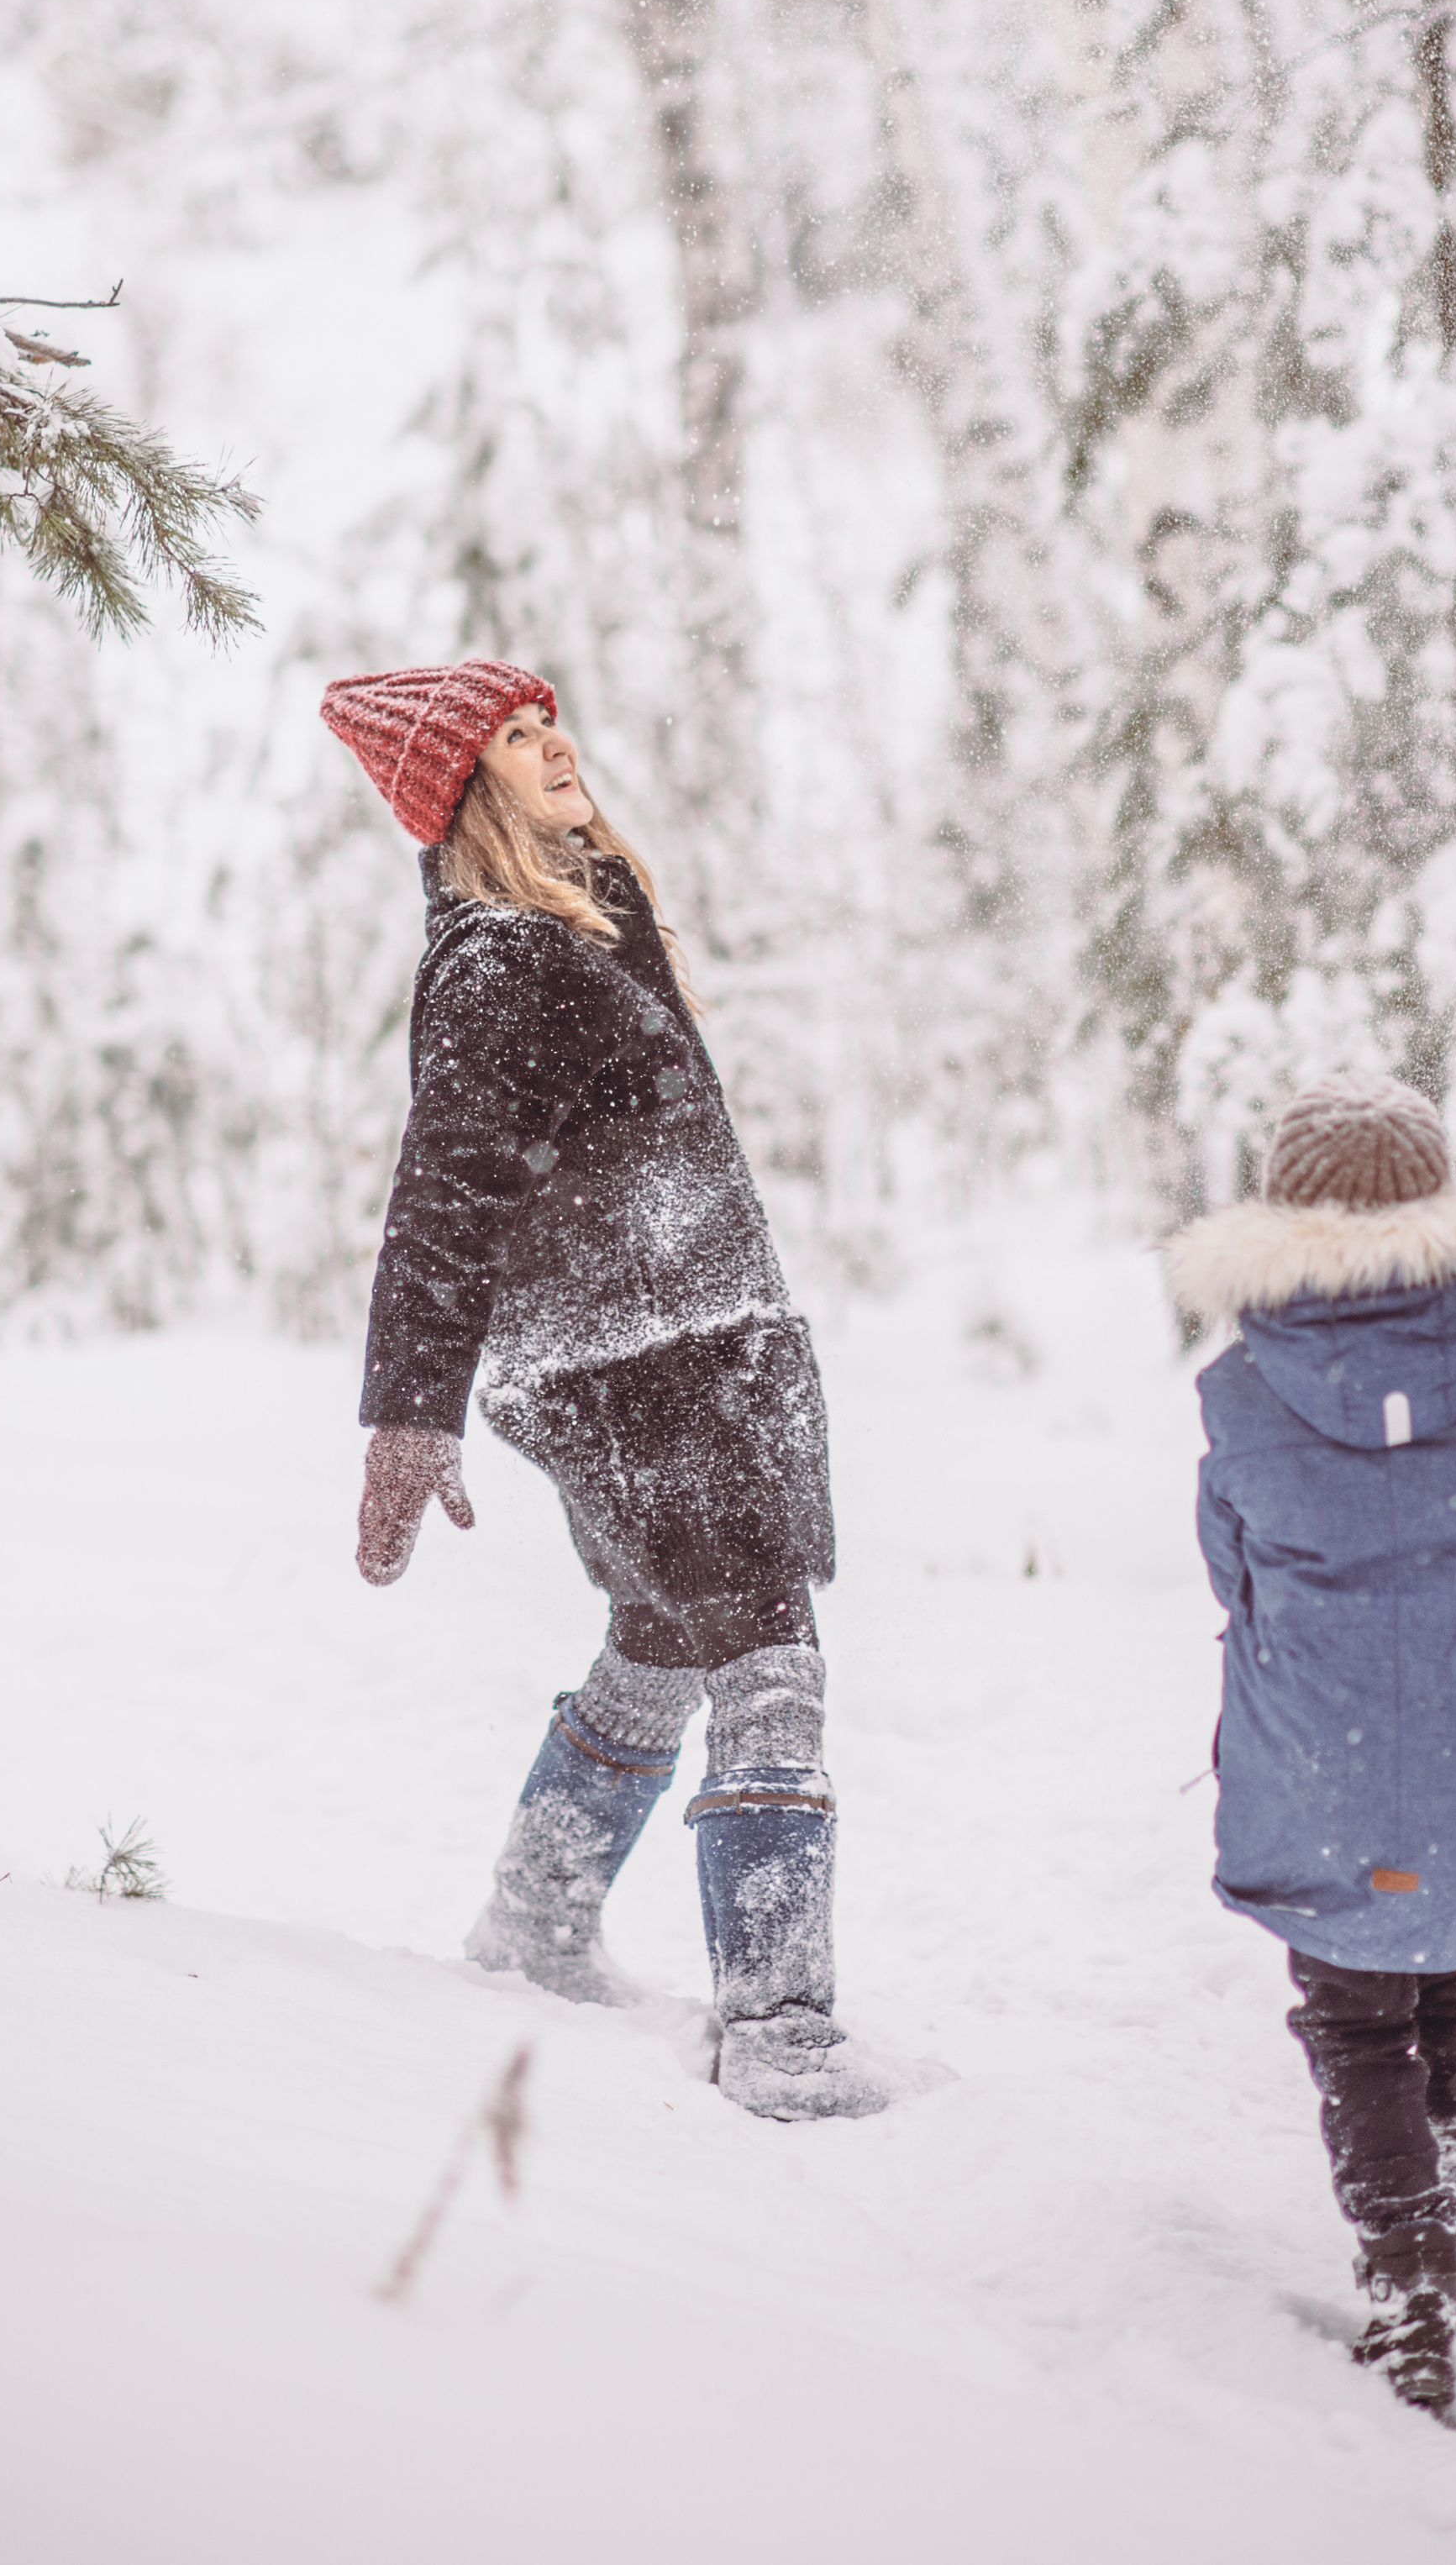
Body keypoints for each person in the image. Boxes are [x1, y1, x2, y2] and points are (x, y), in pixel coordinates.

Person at [321, 654, 893, 2122]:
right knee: (766, 1644)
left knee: (665, 1631)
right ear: (465, 796)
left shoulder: (580, 919)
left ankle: (536, 1922)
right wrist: (409, 1408)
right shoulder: (502, 958)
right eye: (512, 740)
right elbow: (442, 1190)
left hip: (679, 1339)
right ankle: (778, 2023)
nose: (551, 746)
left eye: (546, 721)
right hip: (649, 1358)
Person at [1164, 1076, 1456, 2423]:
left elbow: (1232, 1568)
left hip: (1321, 1767)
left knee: (1355, 2019)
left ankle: (1410, 2298)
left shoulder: (1242, 1391)